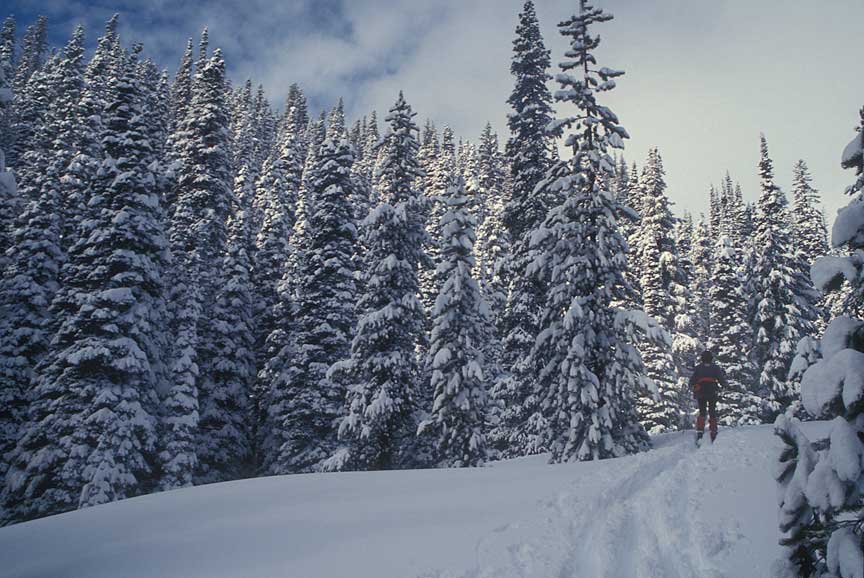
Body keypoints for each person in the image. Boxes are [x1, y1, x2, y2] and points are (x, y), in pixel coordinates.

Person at [689, 351, 727, 443]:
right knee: (712, 410)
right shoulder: (715, 368)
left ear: (702, 359)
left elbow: (692, 381)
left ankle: (700, 430)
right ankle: (713, 430)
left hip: (701, 392)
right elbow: (721, 379)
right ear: (711, 358)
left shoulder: (698, 368)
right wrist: (725, 385)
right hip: (712, 391)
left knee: (702, 411)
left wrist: (692, 386)